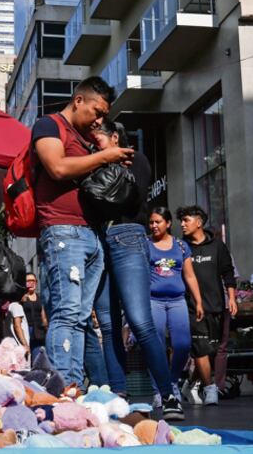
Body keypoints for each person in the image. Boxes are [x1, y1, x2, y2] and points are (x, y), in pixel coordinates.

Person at [31, 77, 134, 387]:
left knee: (79, 317)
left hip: (90, 234)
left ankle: (74, 386)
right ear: (78, 101)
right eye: (96, 111)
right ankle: (61, 387)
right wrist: (105, 157)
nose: (99, 119)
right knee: (66, 313)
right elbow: (57, 168)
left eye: (104, 115)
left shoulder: (86, 138)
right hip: (63, 231)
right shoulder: (49, 125)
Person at [82, 121, 185, 420]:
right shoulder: (96, 163)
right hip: (99, 240)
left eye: (97, 141)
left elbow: (120, 197)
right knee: (109, 324)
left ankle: (168, 395)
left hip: (128, 236)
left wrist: (96, 170)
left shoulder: (134, 159)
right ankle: (118, 395)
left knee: (140, 322)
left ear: (115, 137)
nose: (92, 147)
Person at [144, 207, 204, 408]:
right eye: (151, 222)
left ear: (168, 223)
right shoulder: (146, 245)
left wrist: (198, 301)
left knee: (183, 345)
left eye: (158, 222)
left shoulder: (180, 245)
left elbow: (190, 275)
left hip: (178, 301)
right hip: (154, 302)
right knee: (157, 348)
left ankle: (171, 382)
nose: (154, 226)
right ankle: (159, 390)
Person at [177, 205, 237, 406]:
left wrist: (232, 298)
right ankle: (210, 389)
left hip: (217, 306)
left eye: (186, 220)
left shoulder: (217, 246)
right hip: (191, 306)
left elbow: (227, 273)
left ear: (199, 222)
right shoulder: (180, 246)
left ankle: (189, 384)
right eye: (181, 221)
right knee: (201, 348)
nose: (183, 224)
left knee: (210, 351)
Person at [22, 272, 48, 360]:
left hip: (39, 332)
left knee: (37, 358)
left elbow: (43, 316)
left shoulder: (40, 298)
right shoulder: (21, 298)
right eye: (28, 281)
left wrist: (46, 330)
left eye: (33, 281)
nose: (31, 283)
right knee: (26, 359)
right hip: (26, 331)